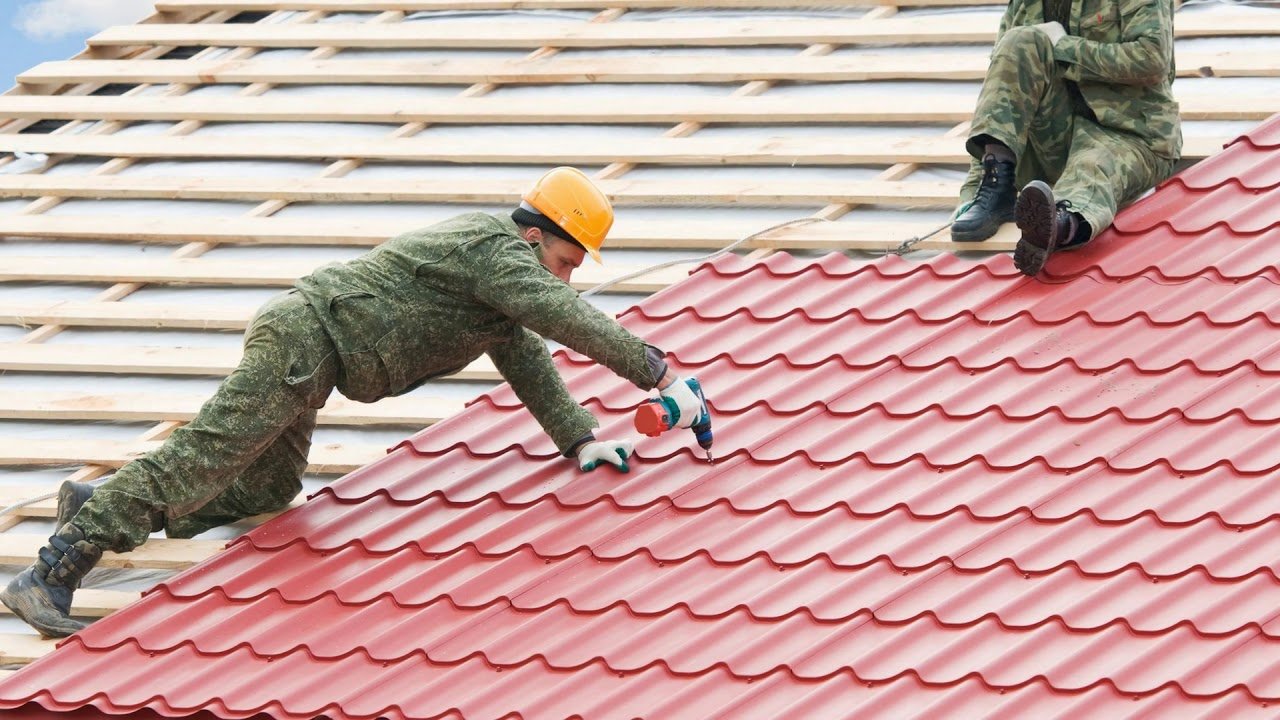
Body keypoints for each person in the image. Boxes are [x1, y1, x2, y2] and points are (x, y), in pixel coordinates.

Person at [1, 167, 710, 638]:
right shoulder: (494, 250)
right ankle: (51, 573)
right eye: (563, 263)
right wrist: (660, 375)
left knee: (272, 486)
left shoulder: (500, 291)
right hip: (305, 340)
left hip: (320, 351)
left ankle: (95, 503)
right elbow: (569, 320)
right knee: (203, 459)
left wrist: (580, 439)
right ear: (534, 239)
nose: (563, 282)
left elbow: (528, 358)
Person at [949, 0, 1182, 275]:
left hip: (1128, 133)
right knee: (1019, 41)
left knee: (1093, 165)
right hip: (1053, 139)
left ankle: (1058, 225)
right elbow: (1004, 93)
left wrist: (1063, 46)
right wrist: (977, 188)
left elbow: (1152, 59)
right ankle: (1000, 190)